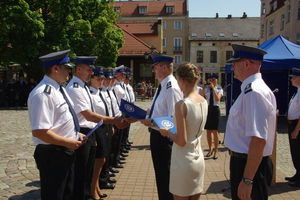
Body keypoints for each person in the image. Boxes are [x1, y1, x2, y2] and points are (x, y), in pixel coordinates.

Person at [66, 56, 128, 200]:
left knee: (88, 169)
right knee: (81, 172)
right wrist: (114, 121)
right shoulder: (75, 88)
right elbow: (88, 115)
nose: (91, 73)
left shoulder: (82, 87)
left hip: (92, 129)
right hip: (83, 130)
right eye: (89, 70)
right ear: (79, 69)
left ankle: (90, 192)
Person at [27, 49, 85, 200]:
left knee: (66, 193)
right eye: (67, 67)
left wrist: (75, 134)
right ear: (55, 68)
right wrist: (68, 141)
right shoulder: (43, 94)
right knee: (54, 195)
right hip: (53, 154)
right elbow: (39, 131)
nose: (69, 71)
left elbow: (62, 120)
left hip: (64, 150)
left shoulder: (59, 89)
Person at [125, 52, 183, 200]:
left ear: (164, 67)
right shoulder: (161, 87)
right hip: (157, 137)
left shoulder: (171, 88)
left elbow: (174, 121)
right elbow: (150, 112)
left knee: (166, 178)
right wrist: (132, 119)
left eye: (155, 67)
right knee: (161, 177)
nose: (153, 71)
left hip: (165, 140)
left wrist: (151, 122)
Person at [224, 44, 276, 200]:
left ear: (247, 64)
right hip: (248, 163)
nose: (232, 68)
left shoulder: (253, 92)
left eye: (235, 64)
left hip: (249, 165)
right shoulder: (252, 89)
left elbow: (259, 139)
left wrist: (247, 180)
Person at [159, 62, 207, 200]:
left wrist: (168, 132)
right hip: (198, 158)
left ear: (182, 80)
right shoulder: (203, 101)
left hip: (183, 161)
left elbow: (181, 141)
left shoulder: (181, 105)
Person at [89, 67, 108, 199]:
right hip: (95, 128)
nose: (101, 81)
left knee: (101, 159)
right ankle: (92, 188)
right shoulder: (89, 94)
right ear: (91, 79)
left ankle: (96, 185)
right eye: (98, 79)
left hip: (103, 126)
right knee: (98, 159)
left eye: (102, 79)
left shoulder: (99, 92)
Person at [200, 73, 223, 159]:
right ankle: (210, 149)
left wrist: (213, 89)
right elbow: (201, 97)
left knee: (215, 131)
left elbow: (217, 99)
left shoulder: (219, 88)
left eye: (213, 80)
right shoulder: (206, 89)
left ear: (216, 80)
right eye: (210, 80)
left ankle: (216, 150)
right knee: (208, 131)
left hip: (215, 110)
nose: (211, 82)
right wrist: (203, 87)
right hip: (208, 110)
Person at [285, 67, 300, 187]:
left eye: (293, 78)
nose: (291, 80)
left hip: (297, 126)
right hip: (292, 124)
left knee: (298, 152)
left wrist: (296, 129)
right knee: (294, 152)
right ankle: (298, 173)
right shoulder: (297, 91)